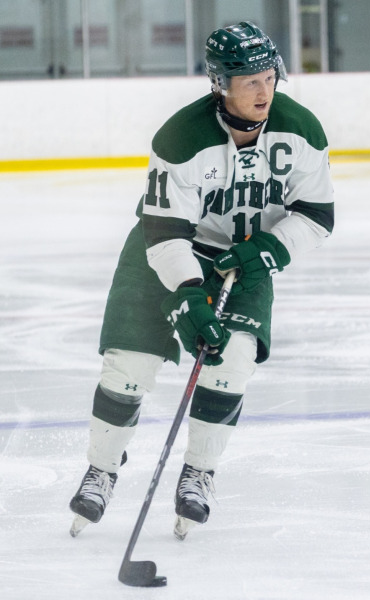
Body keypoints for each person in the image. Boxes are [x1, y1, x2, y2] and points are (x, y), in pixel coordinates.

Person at [68, 21, 334, 540]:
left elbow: (317, 213)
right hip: (167, 249)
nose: (264, 91)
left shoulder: (301, 129)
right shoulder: (181, 136)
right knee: (130, 363)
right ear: (220, 84)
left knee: (231, 361)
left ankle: (199, 474)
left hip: (248, 257)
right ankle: (101, 469)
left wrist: (270, 249)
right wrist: (190, 295)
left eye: (269, 78)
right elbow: (165, 231)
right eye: (249, 81)